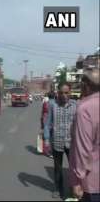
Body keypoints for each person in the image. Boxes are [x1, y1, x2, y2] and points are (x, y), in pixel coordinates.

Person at [69, 68, 100, 202]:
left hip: (91, 182)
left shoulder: (85, 109)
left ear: (85, 85)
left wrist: (77, 181)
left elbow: (83, 149)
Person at [44, 83, 77, 199]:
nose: (64, 95)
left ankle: (75, 189)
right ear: (58, 93)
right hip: (57, 142)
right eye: (61, 92)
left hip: (71, 143)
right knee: (58, 168)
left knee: (74, 168)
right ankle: (58, 189)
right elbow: (47, 123)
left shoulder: (75, 105)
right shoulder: (53, 105)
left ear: (70, 92)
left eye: (66, 92)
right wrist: (47, 139)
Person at [41, 91, 55, 157]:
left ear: (48, 96)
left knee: (46, 137)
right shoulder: (56, 103)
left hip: (46, 121)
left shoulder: (45, 103)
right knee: (52, 137)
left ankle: (47, 151)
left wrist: (41, 123)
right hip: (54, 122)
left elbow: (42, 113)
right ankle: (52, 152)